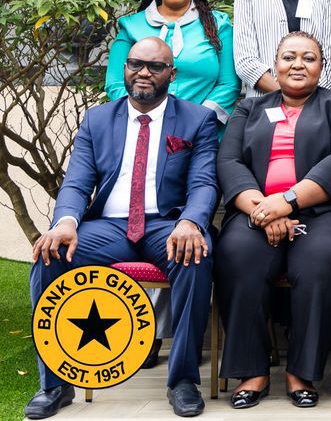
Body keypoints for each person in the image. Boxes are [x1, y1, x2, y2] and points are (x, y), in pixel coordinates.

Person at [27, 38, 217, 420]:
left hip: (166, 225)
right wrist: (65, 222)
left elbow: (204, 182)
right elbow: (77, 182)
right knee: (50, 254)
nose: (143, 72)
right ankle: (55, 385)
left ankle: (182, 381)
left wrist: (190, 221)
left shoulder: (197, 119)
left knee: (195, 255)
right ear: (125, 68)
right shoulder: (97, 119)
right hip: (109, 228)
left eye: (155, 66)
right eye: (135, 64)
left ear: (172, 74)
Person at [215, 31, 331, 410]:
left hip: (326, 211)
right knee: (238, 254)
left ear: (322, 67)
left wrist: (286, 202)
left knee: (320, 260)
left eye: (308, 58)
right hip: (256, 209)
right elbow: (229, 161)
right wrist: (263, 210)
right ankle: (251, 370)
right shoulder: (249, 108)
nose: (298, 64)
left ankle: (302, 371)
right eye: (289, 57)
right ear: (275, 65)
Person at [106, 0, 238, 126]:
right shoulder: (131, 26)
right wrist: (149, 117)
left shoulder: (218, 25)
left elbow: (228, 84)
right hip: (143, 128)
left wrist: (197, 122)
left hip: (202, 131)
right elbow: (115, 83)